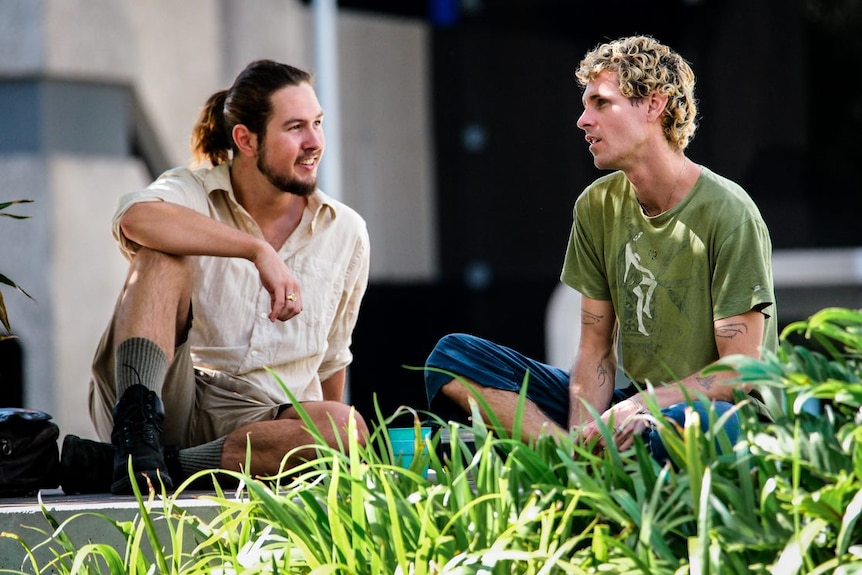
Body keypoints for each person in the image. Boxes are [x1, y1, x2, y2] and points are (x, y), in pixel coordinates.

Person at [424, 35, 777, 459]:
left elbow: (736, 373)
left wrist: (637, 407)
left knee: (676, 429)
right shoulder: (597, 206)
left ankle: (604, 454)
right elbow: (595, 351)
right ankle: (574, 461)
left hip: (718, 415)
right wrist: (586, 431)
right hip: (628, 408)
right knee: (451, 358)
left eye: (601, 103)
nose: (582, 120)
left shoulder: (729, 212)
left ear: (653, 105)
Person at [60, 59, 370, 495]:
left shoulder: (347, 231)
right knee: (162, 254)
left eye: (317, 123)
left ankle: (162, 466)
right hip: (169, 397)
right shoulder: (191, 190)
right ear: (245, 139)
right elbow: (135, 217)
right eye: (295, 127)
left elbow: (333, 360)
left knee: (346, 429)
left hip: (260, 425)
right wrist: (256, 249)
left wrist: (334, 452)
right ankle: (136, 444)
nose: (315, 142)